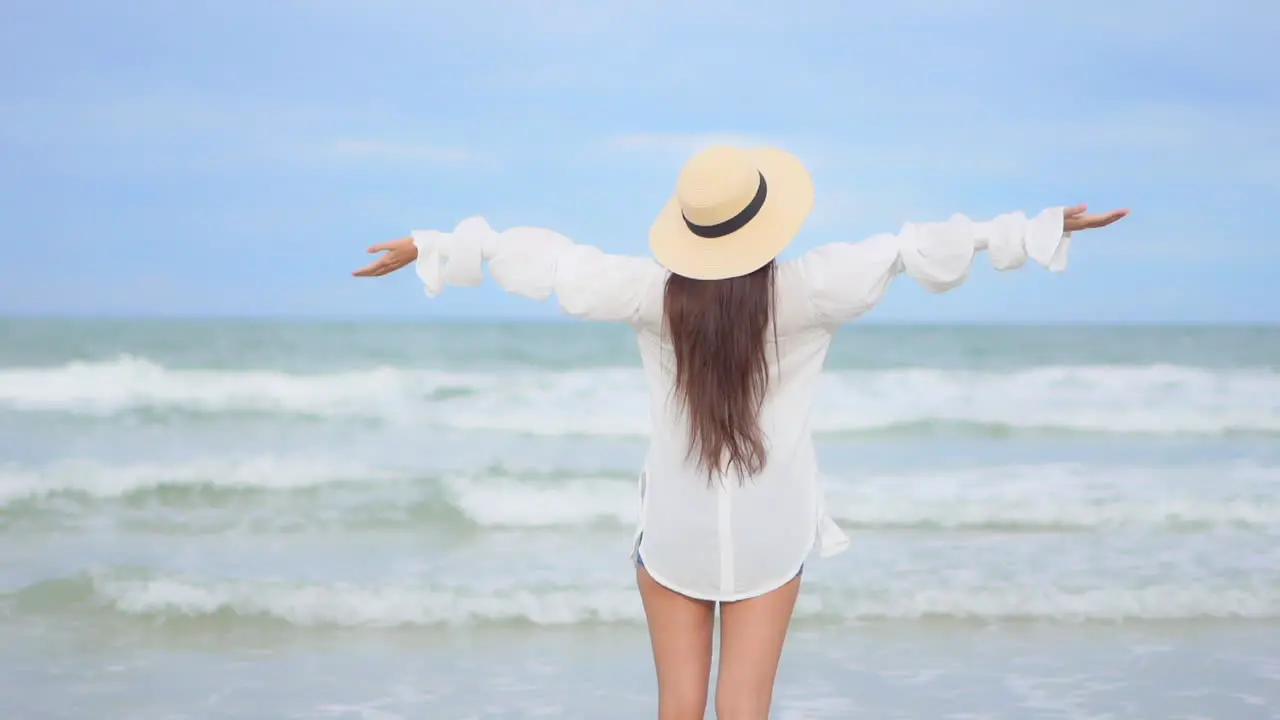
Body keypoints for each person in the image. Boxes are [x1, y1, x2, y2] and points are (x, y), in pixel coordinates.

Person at [353, 145, 1128, 720]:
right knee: (745, 707)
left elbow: (554, 263)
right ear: (765, 219)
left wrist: (437, 245)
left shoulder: (653, 296)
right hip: (771, 529)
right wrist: (1037, 229)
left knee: (678, 708)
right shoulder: (808, 290)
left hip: (675, 530)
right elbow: (910, 248)